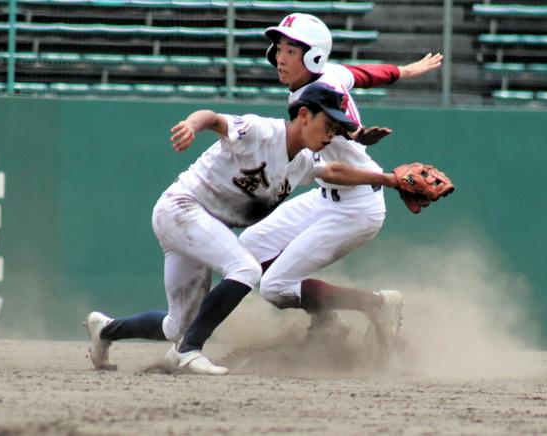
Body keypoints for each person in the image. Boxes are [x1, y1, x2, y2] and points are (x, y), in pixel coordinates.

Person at [84, 82, 405, 375]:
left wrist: (390, 179)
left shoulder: (301, 163)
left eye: (336, 128)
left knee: (176, 324)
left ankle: (106, 330)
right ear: (304, 116)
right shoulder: (261, 131)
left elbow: (334, 169)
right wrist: (191, 125)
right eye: (328, 124)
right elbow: (213, 118)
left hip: (198, 226)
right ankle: (188, 351)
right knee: (245, 267)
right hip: (181, 209)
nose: (331, 134)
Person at [238, 13, 443, 349]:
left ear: (313, 55)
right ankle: (327, 319)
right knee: (250, 246)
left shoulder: (311, 96)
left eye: (291, 51)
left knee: (275, 287)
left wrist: (366, 145)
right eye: (279, 48)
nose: (279, 57)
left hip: (356, 208)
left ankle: (378, 306)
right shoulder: (328, 75)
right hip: (327, 197)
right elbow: (361, 75)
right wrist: (404, 71)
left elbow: (335, 128)